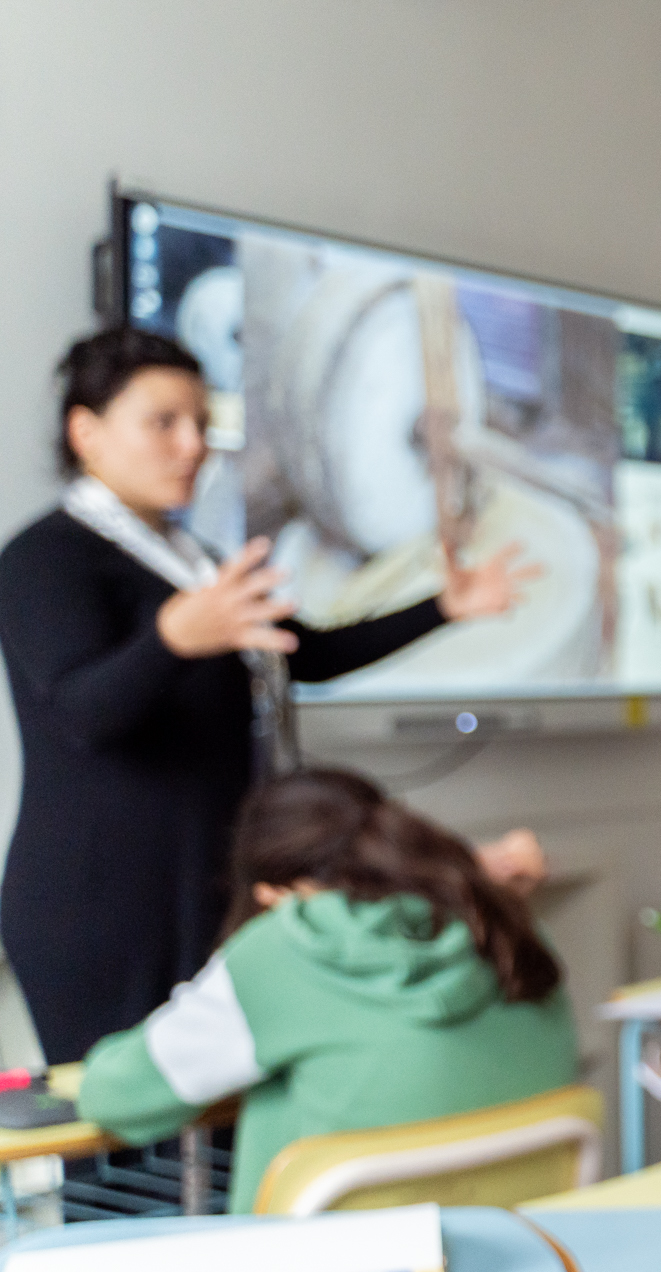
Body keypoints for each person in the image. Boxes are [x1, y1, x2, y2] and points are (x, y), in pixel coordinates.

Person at [0, 328, 534, 1064]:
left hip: (212, 885)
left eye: (202, 424)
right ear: (85, 431)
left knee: (225, 1129)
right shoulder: (44, 558)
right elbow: (80, 713)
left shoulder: (193, 559)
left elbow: (304, 653)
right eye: (164, 422)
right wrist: (172, 640)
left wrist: (442, 607)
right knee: (122, 1151)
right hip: (103, 904)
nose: (194, 446)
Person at [77, 770, 578, 1215]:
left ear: (273, 893)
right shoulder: (510, 926)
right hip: (524, 1266)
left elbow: (114, 1096)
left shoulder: (286, 948)